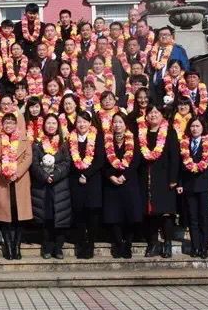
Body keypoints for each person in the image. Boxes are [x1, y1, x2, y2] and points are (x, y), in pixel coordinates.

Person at [137, 105, 179, 259]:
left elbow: (175, 156)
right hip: (146, 178)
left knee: (165, 212)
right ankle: (153, 243)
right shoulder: (141, 132)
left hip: (165, 178)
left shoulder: (170, 132)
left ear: (162, 115)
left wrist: (173, 178)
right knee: (150, 213)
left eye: (156, 112)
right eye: (150, 112)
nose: (153, 115)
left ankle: (167, 243)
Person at [0, 113, 33, 260]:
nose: (9, 125)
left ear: (16, 124)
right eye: (6, 123)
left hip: (20, 181)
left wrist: (17, 173)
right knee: (4, 216)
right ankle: (8, 245)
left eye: (11, 123)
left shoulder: (24, 139)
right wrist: (4, 172)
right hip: (3, 181)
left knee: (19, 216)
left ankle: (17, 246)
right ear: (2, 125)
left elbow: (28, 157)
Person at [102, 113, 143, 259]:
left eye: (120, 122)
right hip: (111, 183)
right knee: (114, 215)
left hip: (129, 182)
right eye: (115, 122)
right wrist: (111, 176)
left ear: (125, 124)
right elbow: (103, 161)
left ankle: (128, 244)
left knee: (130, 215)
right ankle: (118, 243)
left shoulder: (133, 140)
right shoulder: (106, 140)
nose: (117, 125)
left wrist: (125, 176)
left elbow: (136, 161)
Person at [30, 115, 72, 259]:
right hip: (43, 187)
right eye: (48, 123)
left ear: (58, 125)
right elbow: (34, 164)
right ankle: (47, 247)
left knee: (60, 217)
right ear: (44, 125)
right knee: (46, 218)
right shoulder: (37, 144)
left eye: (54, 123)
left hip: (60, 187)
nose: (51, 126)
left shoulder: (63, 143)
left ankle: (58, 248)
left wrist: (55, 175)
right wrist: (44, 176)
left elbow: (67, 163)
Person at [176, 116, 208, 259]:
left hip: (205, 185)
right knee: (192, 218)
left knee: (204, 218)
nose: (195, 129)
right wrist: (180, 183)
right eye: (192, 126)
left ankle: (204, 248)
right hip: (189, 186)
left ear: (203, 127)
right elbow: (180, 166)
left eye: (197, 126)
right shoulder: (184, 143)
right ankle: (195, 247)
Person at [67, 111, 104, 259]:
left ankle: (91, 244)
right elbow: (70, 159)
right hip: (76, 180)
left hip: (93, 180)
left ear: (90, 123)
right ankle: (81, 243)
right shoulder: (71, 138)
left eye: (84, 121)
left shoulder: (97, 137)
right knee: (79, 214)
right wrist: (80, 174)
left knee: (92, 213)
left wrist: (86, 174)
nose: (82, 124)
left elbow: (100, 160)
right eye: (79, 122)